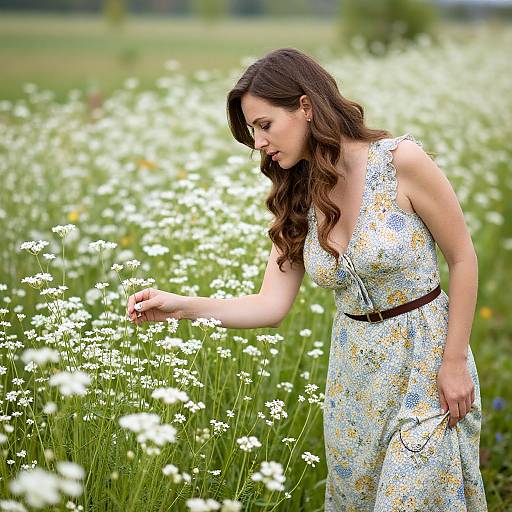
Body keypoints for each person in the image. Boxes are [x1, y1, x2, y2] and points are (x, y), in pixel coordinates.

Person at [127, 48, 488, 511]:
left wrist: (454, 360)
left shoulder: (401, 161)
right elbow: (269, 306)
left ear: (305, 107)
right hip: (354, 382)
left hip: (426, 363)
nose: (258, 142)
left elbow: (463, 258)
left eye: (264, 125)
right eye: (252, 130)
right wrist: (180, 306)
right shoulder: (296, 196)